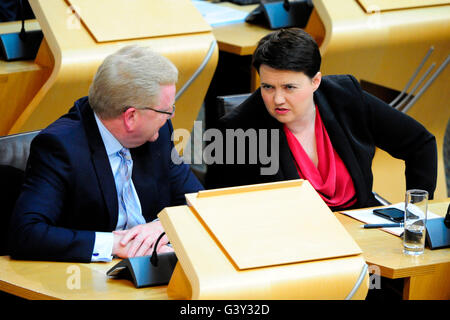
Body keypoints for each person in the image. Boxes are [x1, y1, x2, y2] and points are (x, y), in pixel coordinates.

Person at [8, 45, 203, 262]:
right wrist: (115, 244)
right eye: (166, 110)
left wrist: (165, 225)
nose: (170, 116)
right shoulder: (60, 148)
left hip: (154, 264)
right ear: (131, 117)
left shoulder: (158, 134)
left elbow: (198, 202)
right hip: (87, 280)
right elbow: (26, 234)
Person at [206, 28, 437, 210]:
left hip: (362, 231)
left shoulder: (346, 96)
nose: (277, 99)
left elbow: (420, 144)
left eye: (289, 87)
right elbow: (221, 206)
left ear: (316, 81)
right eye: (267, 87)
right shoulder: (237, 130)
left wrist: (415, 216)